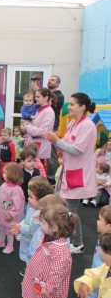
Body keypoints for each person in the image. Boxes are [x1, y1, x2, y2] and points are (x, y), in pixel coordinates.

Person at [44, 92, 98, 254]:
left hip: (78, 175)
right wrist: (59, 145)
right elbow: (67, 144)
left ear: (82, 107)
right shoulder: (72, 123)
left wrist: (57, 141)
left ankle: (76, 242)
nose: (69, 107)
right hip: (68, 172)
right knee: (67, 209)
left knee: (69, 210)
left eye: (72, 104)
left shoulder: (88, 126)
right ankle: (74, 241)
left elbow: (76, 150)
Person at [22, 203, 78, 298]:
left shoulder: (60, 250)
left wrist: (49, 289)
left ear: (54, 227)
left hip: (47, 288)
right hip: (39, 280)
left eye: (43, 223)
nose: (40, 224)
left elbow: (57, 274)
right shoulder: (48, 236)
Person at [10, 177, 54, 277]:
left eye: (31, 197)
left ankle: (31, 276)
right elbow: (26, 220)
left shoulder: (40, 215)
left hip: (33, 241)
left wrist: (20, 228)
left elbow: (32, 229)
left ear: (41, 200)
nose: (28, 198)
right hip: (27, 239)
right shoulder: (31, 207)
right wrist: (20, 225)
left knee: (32, 257)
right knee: (27, 256)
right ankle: (29, 270)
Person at [78, 206, 111, 298]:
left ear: (109, 226)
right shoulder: (102, 238)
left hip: (102, 285)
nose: (97, 222)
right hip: (96, 279)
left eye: (100, 220)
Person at [0, 163, 25, 255]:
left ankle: (10, 245)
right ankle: (1, 241)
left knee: (10, 229)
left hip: (10, 215)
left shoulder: (16, 190)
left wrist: (11, 214)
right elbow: (0, 198)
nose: (2, 174)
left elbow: (17, 205)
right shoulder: (4, 185)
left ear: (12, 175)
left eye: (5, 173)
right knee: (1, 226)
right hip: (2, 212)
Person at [74, 233, 111, 298]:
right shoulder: (108, 267)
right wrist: (86, 282)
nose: (101, 254)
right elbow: (97, 273)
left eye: (104, 252)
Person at [22, 88, 56, 163]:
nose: (35, 98)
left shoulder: (48, 112)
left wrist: (27, 127)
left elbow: (43, 132)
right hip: (33, 149)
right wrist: (24, 127)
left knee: (38, 173)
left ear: (46, 98)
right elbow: (34, 125)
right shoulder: (39, 110)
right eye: (35, 96)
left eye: (38, 96)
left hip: (39, 151)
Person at [46, 75, 65, 182]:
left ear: (57, 84)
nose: (50, 81)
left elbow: (53, 100)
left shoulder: (59, 95)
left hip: (52, 127)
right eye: (49, 80)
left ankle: (52, 177)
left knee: (51, 153)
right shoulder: (46, 94)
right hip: (43, 126)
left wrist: (40, 91)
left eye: (52, 80)